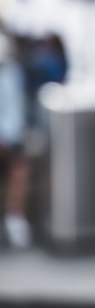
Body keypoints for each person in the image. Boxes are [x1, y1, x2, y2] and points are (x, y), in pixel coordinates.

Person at [0, 30, 32, 248]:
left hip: (10, 138)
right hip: (8, 137)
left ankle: (14, 220)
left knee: (18, 173)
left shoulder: (13, 73)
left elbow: (15, 109)